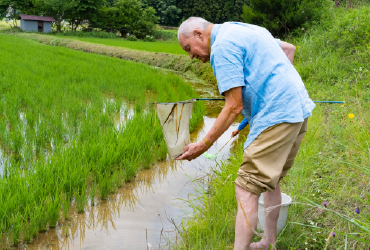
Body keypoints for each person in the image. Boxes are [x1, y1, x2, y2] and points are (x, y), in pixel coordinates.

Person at [176, 17, 315, 250]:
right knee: (271, 181)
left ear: (199, 34)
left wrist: (204, 144)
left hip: (277, 115)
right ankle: (268, 241)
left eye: (188, 48)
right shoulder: (241, 28)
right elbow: (288, 49)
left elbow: (233, 106)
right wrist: (278, 85)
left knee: (246, 186)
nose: (191, 56)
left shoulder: (221, 48)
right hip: (298, 109)